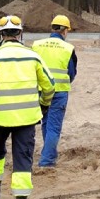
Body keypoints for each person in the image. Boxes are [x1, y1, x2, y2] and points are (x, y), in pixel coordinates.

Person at [0, 15, 54, 199]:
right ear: (20, 33)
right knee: (23, 158)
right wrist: (43, 104)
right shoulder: (33, 57)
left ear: (1, 35)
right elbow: (49, 86)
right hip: (26, 119)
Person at [32, 15, 78, 168]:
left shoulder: (37, 45)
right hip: (58, 93)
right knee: (54, 127)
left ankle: (48, 152)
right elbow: (71, 73)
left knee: (46, 123)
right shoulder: (67, 48)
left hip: (39, 91)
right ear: (64, 30)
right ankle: (47, 160)